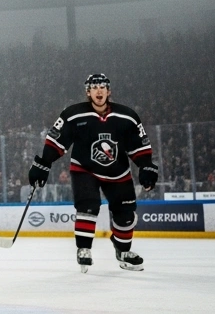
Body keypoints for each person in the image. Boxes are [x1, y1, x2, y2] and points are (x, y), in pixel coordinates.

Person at [29, 73, 157, 272]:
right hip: (84, 169)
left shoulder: (127, 116)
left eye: (103, 87)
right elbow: (56, 142)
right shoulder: (73, 114)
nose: (99, 91)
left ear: (109, 91)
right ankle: (84, 249)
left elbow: (138, 146)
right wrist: (43, 164)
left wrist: (146, 166)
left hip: (118, 172)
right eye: (95, 87)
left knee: (126, 216)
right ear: (88, 92)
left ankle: (123, 251)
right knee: (88, 206)